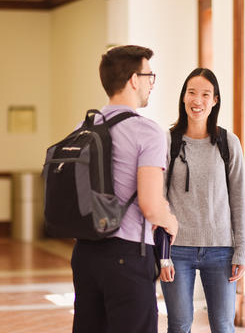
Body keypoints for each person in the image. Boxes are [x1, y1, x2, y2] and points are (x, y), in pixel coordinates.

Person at [71, 45, 178, 333]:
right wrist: (172, 222)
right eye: (149, 76)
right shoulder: (147, 131)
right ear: (134, 79)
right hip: (127, 255)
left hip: (85, 254)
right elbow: (151, 205)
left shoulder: (84, 126)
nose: (151, 84)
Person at [160, 68, 245, 333]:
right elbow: (159, 199)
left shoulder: (228, 142)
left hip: (221, 250)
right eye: (191, 93)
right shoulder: (168, 141)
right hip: (177, 251)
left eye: (205, 94)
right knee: (179, 325)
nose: (197, 100)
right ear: (183, 97)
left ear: (215, 100)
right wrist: (163, 255)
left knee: (223, 325)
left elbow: (239, 200)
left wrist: (241, 250)